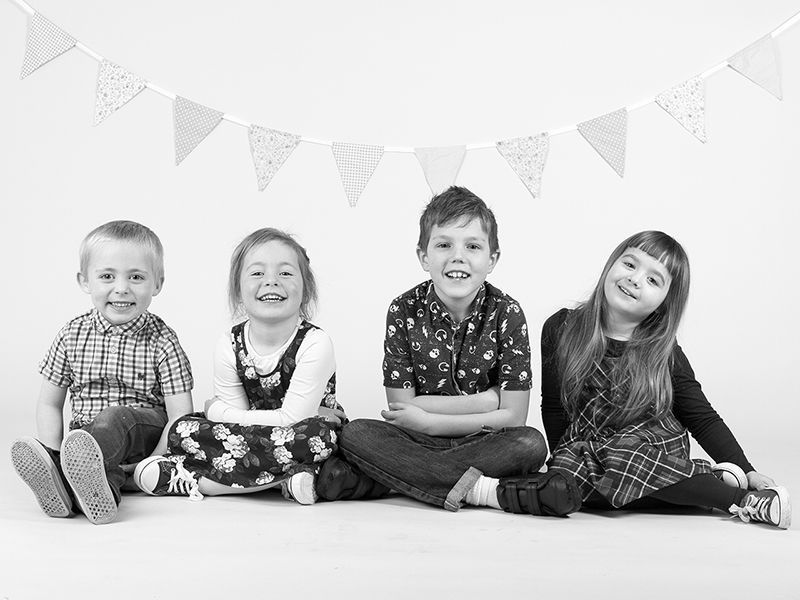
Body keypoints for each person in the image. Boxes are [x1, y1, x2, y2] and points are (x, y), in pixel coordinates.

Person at [316, 186, 581, 517]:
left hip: (485, 444)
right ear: (424, 257)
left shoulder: (507, 313)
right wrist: (487, 401)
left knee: (530, 444)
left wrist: (428, 419)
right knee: (355, 434)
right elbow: (402, 407)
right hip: (417, 442)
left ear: (491, 259)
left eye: (472, 246)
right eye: (444, 245)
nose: (458, 256)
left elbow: (514, 418)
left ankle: (384, 481)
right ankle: (486, 491)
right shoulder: (403, 309)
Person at [542, 230, 791, 529]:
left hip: (651, 444)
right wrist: (561, 459)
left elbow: (701, 417)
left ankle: (738, 498)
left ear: (664, 301)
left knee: (623, 455)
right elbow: (555, 405)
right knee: (568, 480)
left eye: (653, 280)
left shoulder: (664, 350)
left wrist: (748, 471)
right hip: (592, 450)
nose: (635, 279)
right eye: (630, 265)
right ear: (611, 265)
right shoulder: (561, 327)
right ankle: (697, 486)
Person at [133, 228, 345, 506]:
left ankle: (202, 482)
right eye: (257, 273)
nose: (271, 281)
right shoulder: (228, 344)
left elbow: (292, 419)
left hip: (299, 434)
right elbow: (232, 428)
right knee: (183, 428)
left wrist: (219, 411)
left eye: (286, 273)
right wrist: (223, 416)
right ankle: (289, 480)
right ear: (238, 289)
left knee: (318, 437)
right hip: (251, 437)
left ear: (306, 289)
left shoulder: (316, 343)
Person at [11, 220, 194, 525]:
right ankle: (87, 489)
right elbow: (49, 403)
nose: (121, 288)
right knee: (91, 443)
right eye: (107, 276)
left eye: (136, 277)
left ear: (157, 284)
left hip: (142, 433)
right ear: (85, 282)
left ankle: (76, 473)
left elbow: (180, 415)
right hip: (86, 442)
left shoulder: (163, 339)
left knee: (114, 418)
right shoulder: (72, 335)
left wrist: (153, 464)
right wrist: (56, 452)